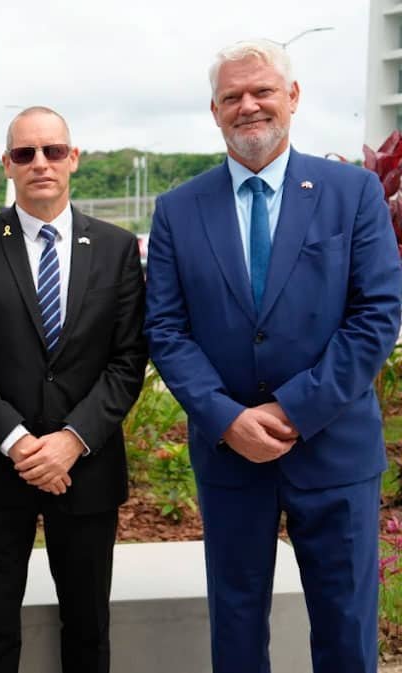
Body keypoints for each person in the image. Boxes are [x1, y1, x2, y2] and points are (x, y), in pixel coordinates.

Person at [145, 39, 402, 673]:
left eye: (262, 91)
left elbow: (375, 317)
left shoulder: (353, 193)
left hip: (334, 450)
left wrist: (291, 410)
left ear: (293, 98)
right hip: (230, 455)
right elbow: (167, 330)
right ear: (214, 110)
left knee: (346, 629)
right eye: (232, 96)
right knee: (235, 627)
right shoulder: (179, 209)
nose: (248, 105)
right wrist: (228, 419)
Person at [0, 106, 148, 673]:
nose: (40, 164)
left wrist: (71, 441)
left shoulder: (115, 247)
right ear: (7, 164)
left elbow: (129, 360)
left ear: (72, 158)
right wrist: (18, 441)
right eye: (25, 153)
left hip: (87, 467)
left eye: (53, 151)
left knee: (87, 627)